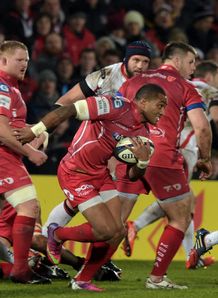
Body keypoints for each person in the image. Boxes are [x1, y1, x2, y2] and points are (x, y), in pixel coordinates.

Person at [14, 83, 167, 291]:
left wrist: (142, 163)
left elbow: (132, 176)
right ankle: (57, 235)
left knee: (118, 231)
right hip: (75, 172)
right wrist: (36, 130)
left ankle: (81, 280)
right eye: (160, 105)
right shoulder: (115, 105)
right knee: (105, 230)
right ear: (143, 101)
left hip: (101, 174)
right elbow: (70, 109)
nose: (163, 111)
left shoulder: (143, 134)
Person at [116, 41, 212, 289]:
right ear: (177, 60)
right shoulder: (186, 86)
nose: (193, 68)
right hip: (163, 158)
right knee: (180, 215)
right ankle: (157, 278)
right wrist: (205, 158)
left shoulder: (133, 81)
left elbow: (114, 114)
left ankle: (82, 270)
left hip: (127, 155)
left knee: (112, 223)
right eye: (191, 62)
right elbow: (202, 127)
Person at [0, 40, 50, 284]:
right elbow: (1, 130)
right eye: (20, 60)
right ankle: (20, 270)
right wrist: (31, 152)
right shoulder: (2, 87)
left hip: (8, 155)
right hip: (3, 156)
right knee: (29, 207)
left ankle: (15, 267)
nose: (24, 65)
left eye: (27, 61)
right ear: (3, 60)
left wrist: (37, 131)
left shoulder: (12, 88)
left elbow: (13, 127)